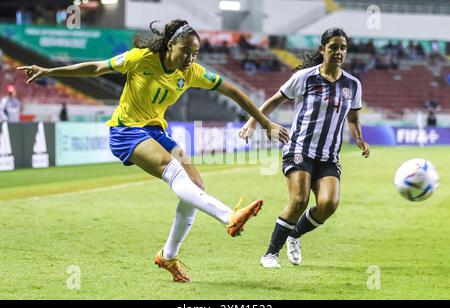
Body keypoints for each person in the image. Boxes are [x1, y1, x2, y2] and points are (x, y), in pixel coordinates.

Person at [18, 19, 289, 283]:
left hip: (156, 132)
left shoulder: (191, 73)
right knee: (173, 171)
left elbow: (233, 91)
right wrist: (50, 71)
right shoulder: (140, 58)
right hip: (125, 131)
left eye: (195, 53)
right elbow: (97, 67)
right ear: (171, 45)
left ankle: (168, 256)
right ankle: (228, 216)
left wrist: (264, 123)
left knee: (195, 184)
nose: (190, 59)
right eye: (186, 51)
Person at [240, 28, 370, 268]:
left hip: (328, 156)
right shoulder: (306, 77)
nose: (339, 52)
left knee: (329, 204)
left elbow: (352, 118)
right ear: (323, 49)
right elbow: (274, 100)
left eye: (343, 48)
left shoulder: (352, 84)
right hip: (299, 148)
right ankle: (270, 254)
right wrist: (252, 122)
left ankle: (295, 236)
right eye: (333, 47)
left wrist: (360, 139)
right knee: (299, 200)